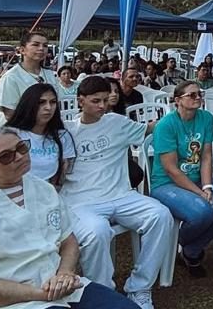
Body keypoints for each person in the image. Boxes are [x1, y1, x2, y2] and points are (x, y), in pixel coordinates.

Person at [0, 128, 139, 309]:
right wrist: (40, 294)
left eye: (22, 148)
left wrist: (66, 273)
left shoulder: (44, 190)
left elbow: (68, 240)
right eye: (6, 156)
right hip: (10, 301)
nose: (20, 157)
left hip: (61, 286)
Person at [62, 76, 173, 309]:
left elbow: (149, 129)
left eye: (105, 100)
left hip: (122, 195)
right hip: (81, 201)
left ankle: (139, 287)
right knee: (96, 231)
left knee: (161, 215)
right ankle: (102, 292)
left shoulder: (116, 121)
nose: (102, 106)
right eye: (95, 101)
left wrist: (176, 112)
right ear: (80, 101)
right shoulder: (67, 131)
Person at [150, 81, 213, 278]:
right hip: (166, 183)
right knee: (202, 211)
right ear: (178, 101)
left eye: (200, 94)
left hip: (197, 178)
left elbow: (206, 156)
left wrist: (207, 186)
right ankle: (174, 243)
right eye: (192, 95)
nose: (198, 98)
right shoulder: (166, 125)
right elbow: (171, 169)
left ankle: (190, 249)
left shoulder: (206, 118)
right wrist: (200, 193)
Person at [6, 83, 76, 186]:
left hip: (49, 194)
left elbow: (64, 173)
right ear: (29, 104)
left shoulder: (62, 136)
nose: (48, 107)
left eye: (52, 102)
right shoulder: (11, 134)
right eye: (41, 102)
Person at [0, 32, 58, 126]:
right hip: (15, 132)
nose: (41, 48)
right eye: (35, 45)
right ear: (22, 50)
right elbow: (9, 113)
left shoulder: (50, 75)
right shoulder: (11, 77)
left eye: (45, 45)